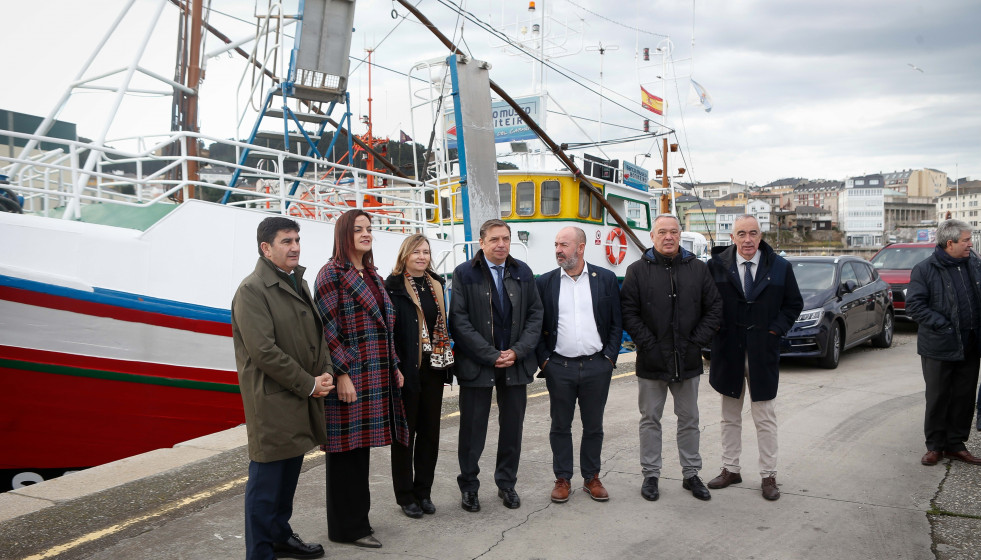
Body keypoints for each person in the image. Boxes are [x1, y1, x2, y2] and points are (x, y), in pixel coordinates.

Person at [232, 216, 335, 560]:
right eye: (286, 241)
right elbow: (263, 351)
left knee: (288, 476)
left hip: (298, 396)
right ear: (266, 248)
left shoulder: (295, 281)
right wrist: (309, 384)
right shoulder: (252, 291)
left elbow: (314, 337)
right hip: (273, 401)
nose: (295, 247)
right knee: (265, 483)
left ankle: (279, 535)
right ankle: (259, 553)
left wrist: (325, 373)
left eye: (296, 240)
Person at [314, 210, 408, 549]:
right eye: (358, 230)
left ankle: (357, 521)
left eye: (369, 229)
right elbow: (327, 328)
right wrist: (340, 374)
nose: (366, 234)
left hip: (375, 373)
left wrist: (394, 365)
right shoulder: (331, 274)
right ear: (344, 235)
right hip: (352, 375)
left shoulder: (370, 273)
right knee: (344, 454)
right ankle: (347, 527)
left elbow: (386, 326)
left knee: (361, 451)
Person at [621, 215, 722, 502]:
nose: (668, 237)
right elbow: (629, 311)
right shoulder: (637, 271)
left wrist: (696, 342)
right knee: (650, 419)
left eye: (673, 232)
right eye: (662, 232)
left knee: (689, 418)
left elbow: (714, 308)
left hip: (687, 359)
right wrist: (649, 344)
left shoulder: (697, 269)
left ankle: (691, 473)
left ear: (680, 235)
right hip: (652, 360)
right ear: (652, 236)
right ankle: (650, 474)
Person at [706, 214, 802, 501]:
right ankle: (730, 469)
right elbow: (706, 303)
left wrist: (775, 330)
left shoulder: (780, 267)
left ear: (761, 237)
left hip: (763, 351)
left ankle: (768, 475)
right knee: (729, 416)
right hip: (728, 351)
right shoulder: (716, 267)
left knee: (765, 417)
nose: (748, 239)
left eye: (753, 233)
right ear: (732, 237)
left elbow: (793, 304)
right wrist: (717, 329)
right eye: (742, 234)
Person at [450, 219, 543, 512]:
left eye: (505, 238)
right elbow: (459, 321)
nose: (501, 244)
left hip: (515, 364)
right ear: (482, 242)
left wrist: (517, 351)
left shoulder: (522, 272)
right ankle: (469, 487)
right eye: (494, 239)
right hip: (477, 365)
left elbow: (535, 315)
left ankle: (507, 484)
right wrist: (490, 354)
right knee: (472, 430)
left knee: (512, 428)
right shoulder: (464, 273)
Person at [535, 226, 622, 503]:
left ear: (581, 248)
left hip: (597, 366)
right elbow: (536, 326)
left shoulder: (605, 279)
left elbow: (616, 322)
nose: (558, 250)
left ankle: (591, 477)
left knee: (593, 425)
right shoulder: (546, 282)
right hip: (558, 367)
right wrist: (545, 361)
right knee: (560, 425)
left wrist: (609, 358)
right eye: (556, 244)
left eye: (564, 244)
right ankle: (562, 478)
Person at [384, 234, 453, 518]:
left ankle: (424, 492)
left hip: (434, 368)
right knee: (405, 436)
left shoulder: (435, 284)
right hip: (406, 370)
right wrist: (395, 366)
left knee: (429, 434)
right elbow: (389, 332)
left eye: (426, 252)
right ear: (405, 255)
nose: (422, 257)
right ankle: (405, 496)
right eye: (416, 252)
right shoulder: (393, 287)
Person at [906, 219, 981, 466]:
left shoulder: (975, 264)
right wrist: (944, 325)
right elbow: (915, 306)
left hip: (971, 344)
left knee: (964, 397)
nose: (971, 244)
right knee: (938, 397)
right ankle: (935, 446)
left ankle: (955, 445)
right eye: (967, 240)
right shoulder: (925, 269)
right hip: (939, 346)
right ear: (950, 243)